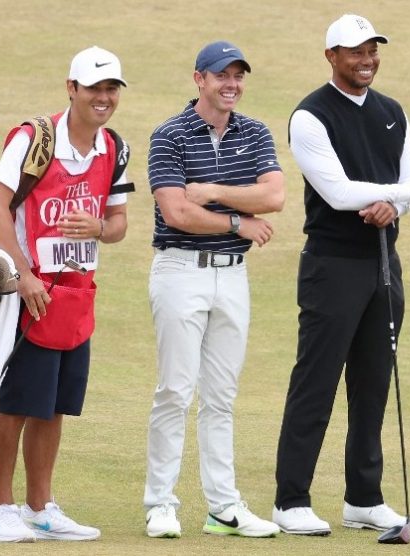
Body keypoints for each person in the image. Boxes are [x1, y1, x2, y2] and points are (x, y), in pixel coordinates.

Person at [272, 14, 410, 536]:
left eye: (372, 50)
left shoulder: (392, 111)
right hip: (332, 265)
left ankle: (363, 498)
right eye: (354, 52)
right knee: (316, 383)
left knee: (372, 385)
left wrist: (398, 203)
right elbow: (340, 193)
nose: (366, 60)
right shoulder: (310, 116)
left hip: (384, 263)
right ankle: (290, 499)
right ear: (331, 57)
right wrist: (403, 197)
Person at [0, 45, 133, 542]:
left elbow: (118, 225)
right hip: (29, 294)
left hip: (76, 294)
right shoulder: (33, 139)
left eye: (111, 88)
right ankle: (0, 511)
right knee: (18, 403)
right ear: (72, 88)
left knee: (56, 405)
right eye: (94, 88)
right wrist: (22, 276)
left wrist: (98, 227)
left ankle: (40, 508)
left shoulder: (114, 148)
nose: (103, 98)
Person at [144, 40, 284, 539]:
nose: (232, 84)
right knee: (176, 391)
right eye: (221, 75)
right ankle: (160, 503)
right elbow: (177, 212)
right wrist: (238, 222)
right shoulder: (170, 135)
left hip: (232, 277)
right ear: (198, 79)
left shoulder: (255, 133)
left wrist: (215, 194)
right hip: (180, 271)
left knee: (221, 396)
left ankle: (224, 507)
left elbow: (275, 196)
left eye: (238, 76)